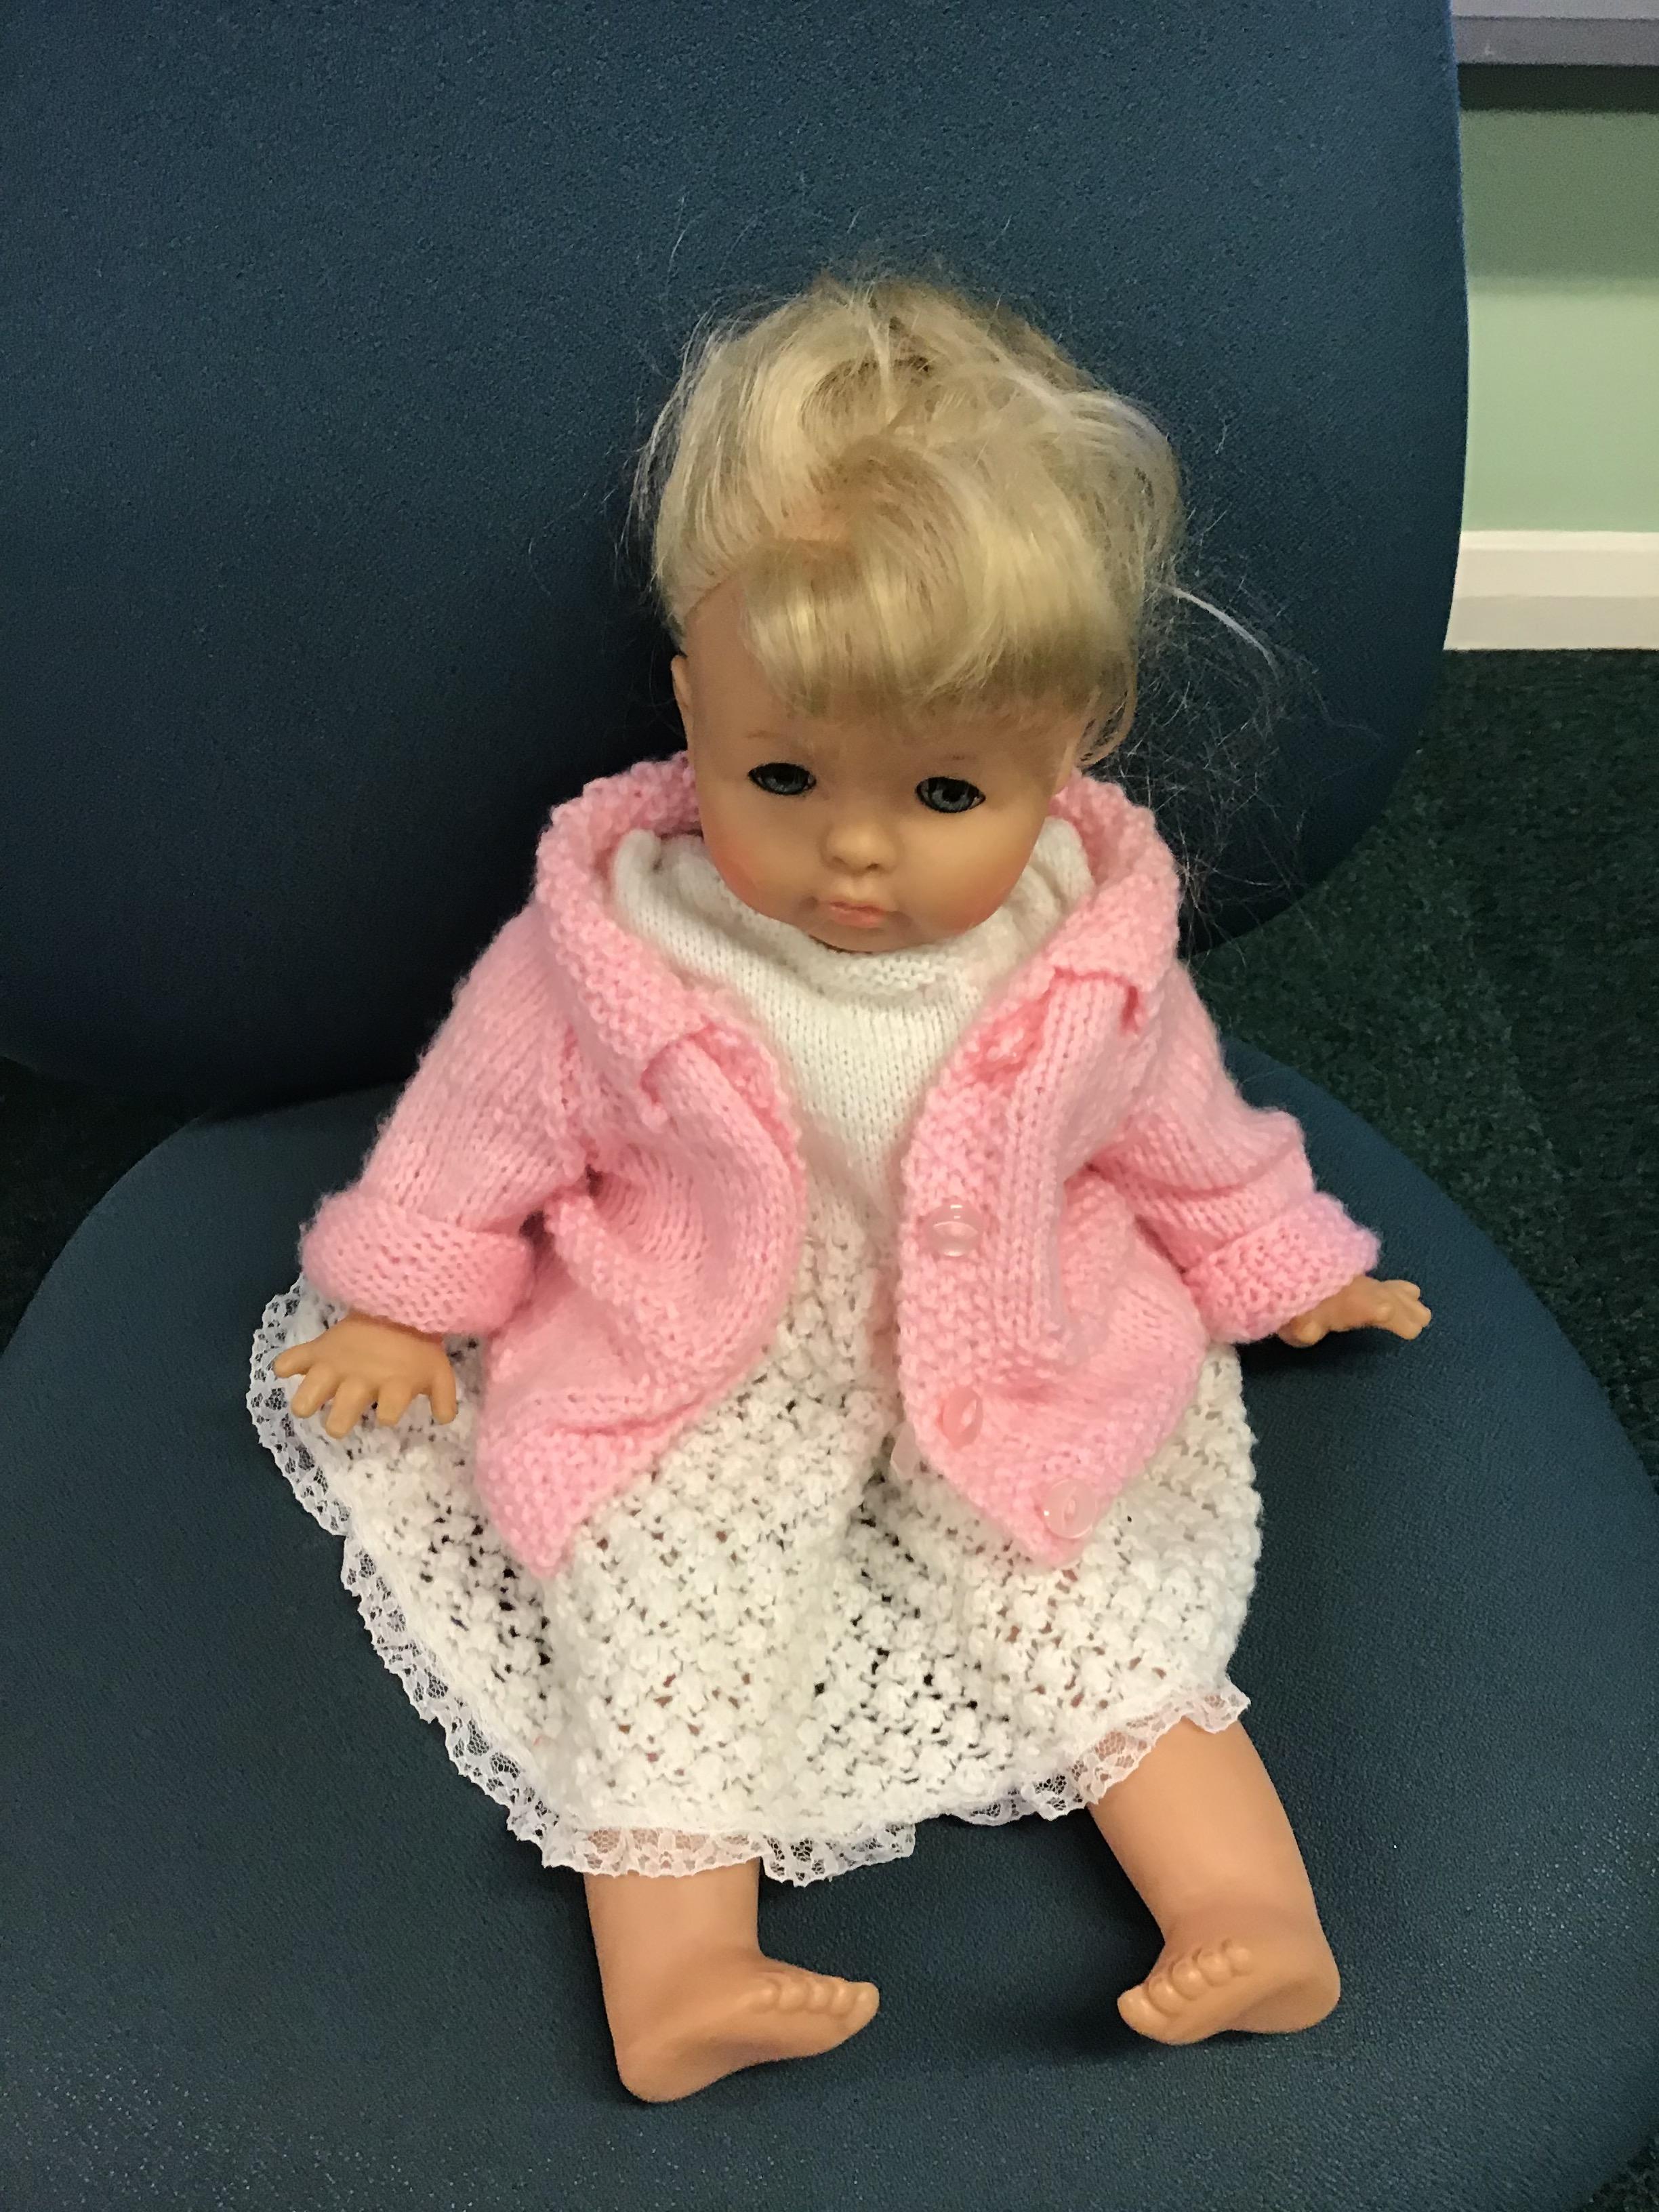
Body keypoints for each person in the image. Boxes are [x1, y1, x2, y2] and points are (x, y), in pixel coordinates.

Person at [248, 262, 1431, 2104]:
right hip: (704, 1361)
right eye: (784, 775)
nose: (855, 854)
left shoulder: (1083, 952)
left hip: (1018, 1344)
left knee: (1099, 1605)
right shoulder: (626, 951)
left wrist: (1280, 1260)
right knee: (662, 1617)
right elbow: (477, 1132)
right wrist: (404, 1302)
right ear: (691, 705)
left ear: (1069, 746)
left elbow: (1178, 1129)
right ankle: (682, 1975)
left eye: (947, 797)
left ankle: (1249, 1916)